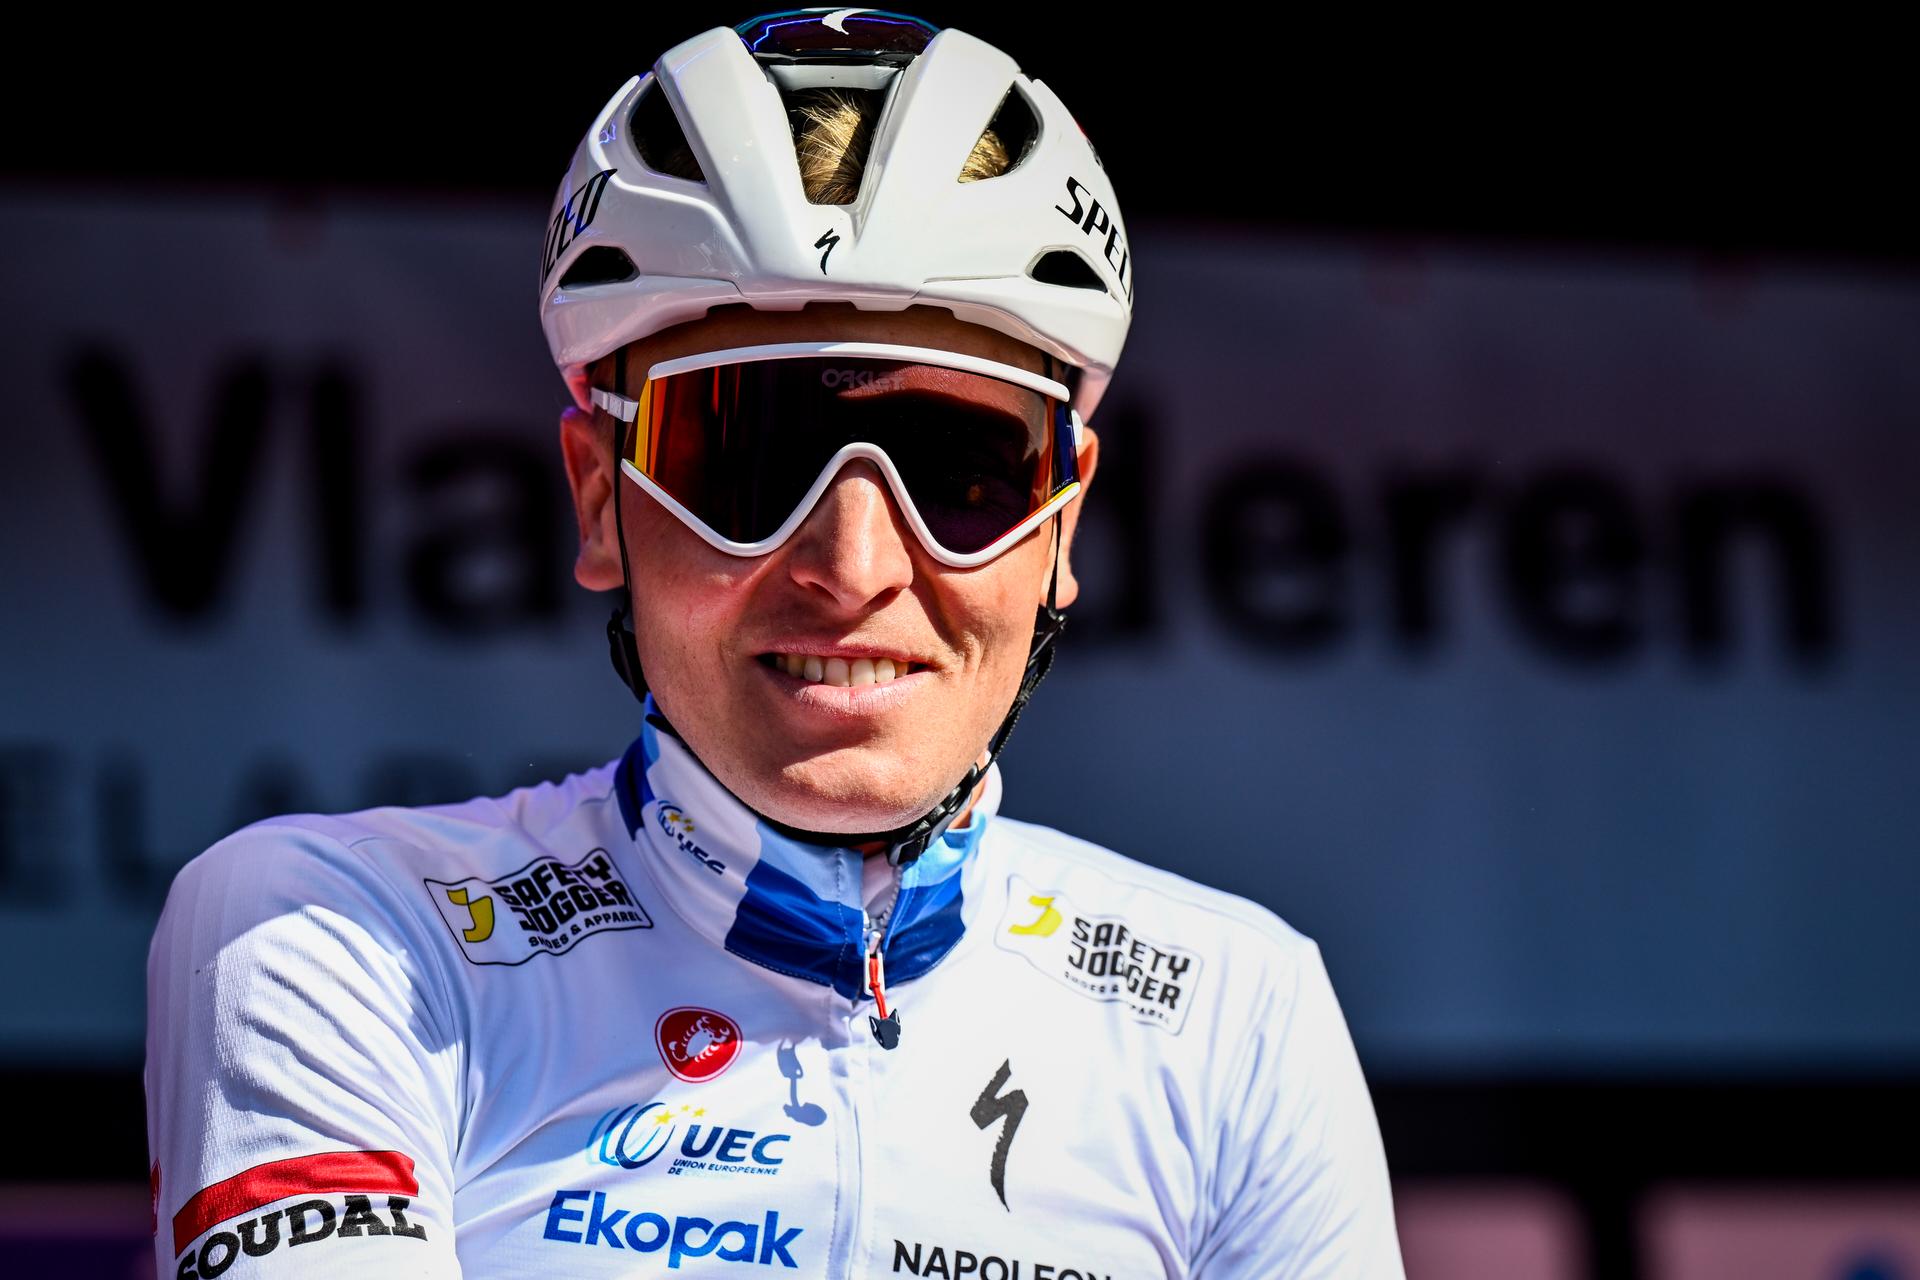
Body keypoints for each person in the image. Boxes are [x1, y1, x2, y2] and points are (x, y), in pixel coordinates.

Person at [146, 11, 1404, 1278]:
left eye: (962, 469)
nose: (853, 566)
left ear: (1064, 517)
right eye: (747, 457)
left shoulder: (1236, 1010)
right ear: (599, 498)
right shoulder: (339, 936)